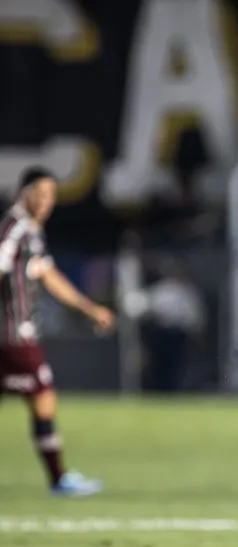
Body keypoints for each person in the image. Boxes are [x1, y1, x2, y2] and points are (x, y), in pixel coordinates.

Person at [0, 167, 116, 495]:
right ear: (24, 192)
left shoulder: (31, 232)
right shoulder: (15, 228)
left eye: (51, 196)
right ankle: (58, 479)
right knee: (43, 398)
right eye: (41, 193)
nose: (47, 201)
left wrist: (89, 309)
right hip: (13, 336)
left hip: (13, 335)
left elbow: (49, 276)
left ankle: (59, 478)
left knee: (41, 400)